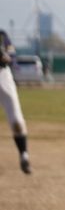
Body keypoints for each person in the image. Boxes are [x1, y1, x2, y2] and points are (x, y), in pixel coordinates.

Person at [0, 29, 31, 174]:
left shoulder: (2, 34)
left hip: (2, 75)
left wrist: (6, 57)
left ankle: (24, 154)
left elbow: (11, 55)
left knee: (16, 119)